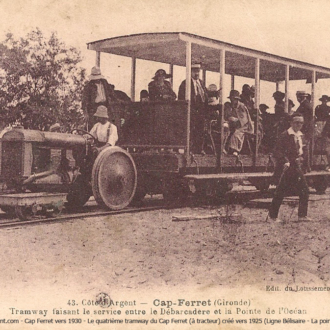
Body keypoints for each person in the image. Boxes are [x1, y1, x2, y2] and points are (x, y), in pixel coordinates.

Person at [269, 113, 310, 222]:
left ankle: (302, 216)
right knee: (281, 191)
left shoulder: (302, 136)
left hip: (297, 167)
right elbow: (277, 151)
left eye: (301, 122)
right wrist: (285, 161)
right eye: (296, 122)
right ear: (291, 123)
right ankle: (272, 217)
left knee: (304, 190)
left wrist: (301, 159)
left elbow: (304, 152)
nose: (299, 125)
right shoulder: (285, 135)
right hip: (287, 167)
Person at [178, 63, 208, 153]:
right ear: (190, 72)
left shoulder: (201, 83)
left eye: (198, 71)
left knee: (200, 129)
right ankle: (189, 149)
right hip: (191, 110)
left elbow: (205, 94)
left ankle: (199, 149)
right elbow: (181, 97)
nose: (197, 73)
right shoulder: (185, 83)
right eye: (195, 71)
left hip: (201, 111)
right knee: (191, 129)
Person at [223, 90, 254, 155]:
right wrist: (229, 118)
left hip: (244, 126)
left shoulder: (241, 106)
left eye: (233, 99)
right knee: (225, 129)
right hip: (233, 124)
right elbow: (226, 115)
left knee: (236, 134)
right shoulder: (230, 105)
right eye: (231, 98)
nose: (232, 100)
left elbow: (244, 119)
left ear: (237, 99)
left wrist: (236, 120)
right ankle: (223, 148)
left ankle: (235, 150)